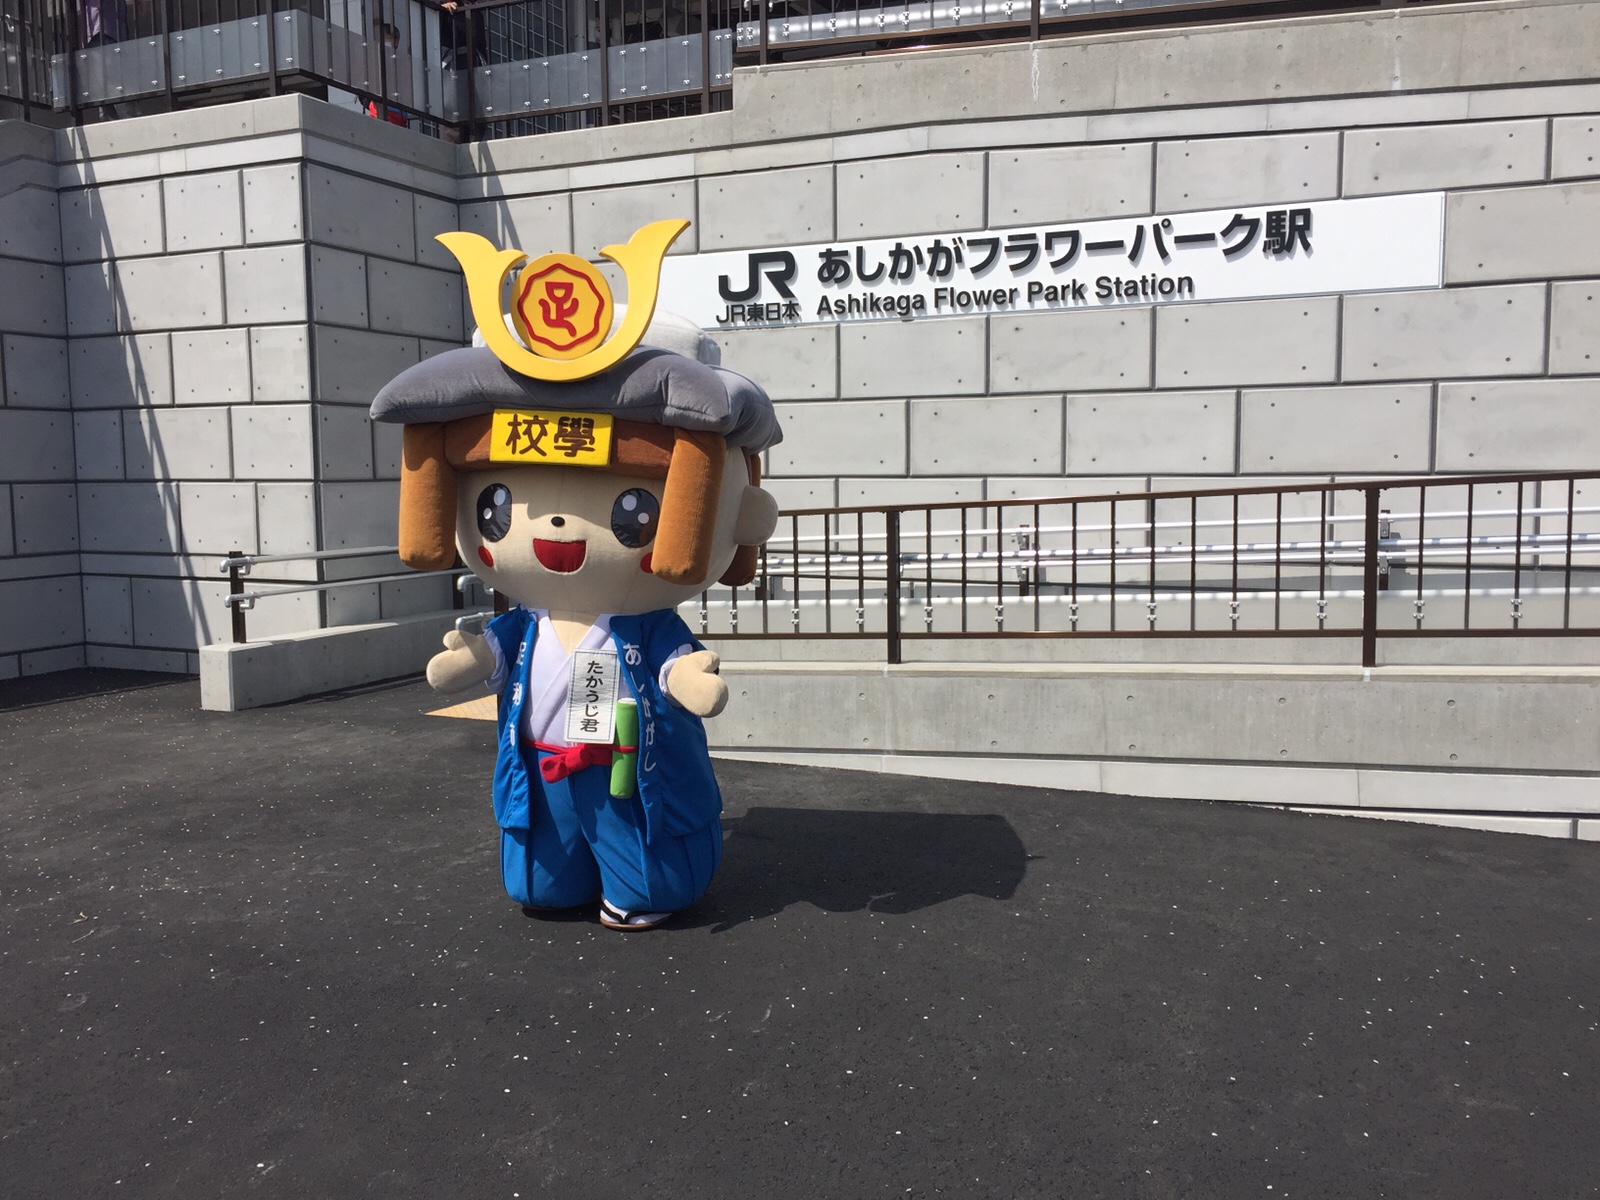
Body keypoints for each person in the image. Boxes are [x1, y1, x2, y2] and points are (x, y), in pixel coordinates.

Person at [369, 235, 781, 932]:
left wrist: (686, 677)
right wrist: (471, 658)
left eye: (634, 511)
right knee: (540, 874)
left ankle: (641, 889)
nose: (554, 526)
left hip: (629, 764)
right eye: (496, 506)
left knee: (643, 852)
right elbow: (497, 652)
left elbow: (674, 665)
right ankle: (559, 883)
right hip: (541, 762)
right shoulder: (524, 623)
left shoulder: (646, 624)